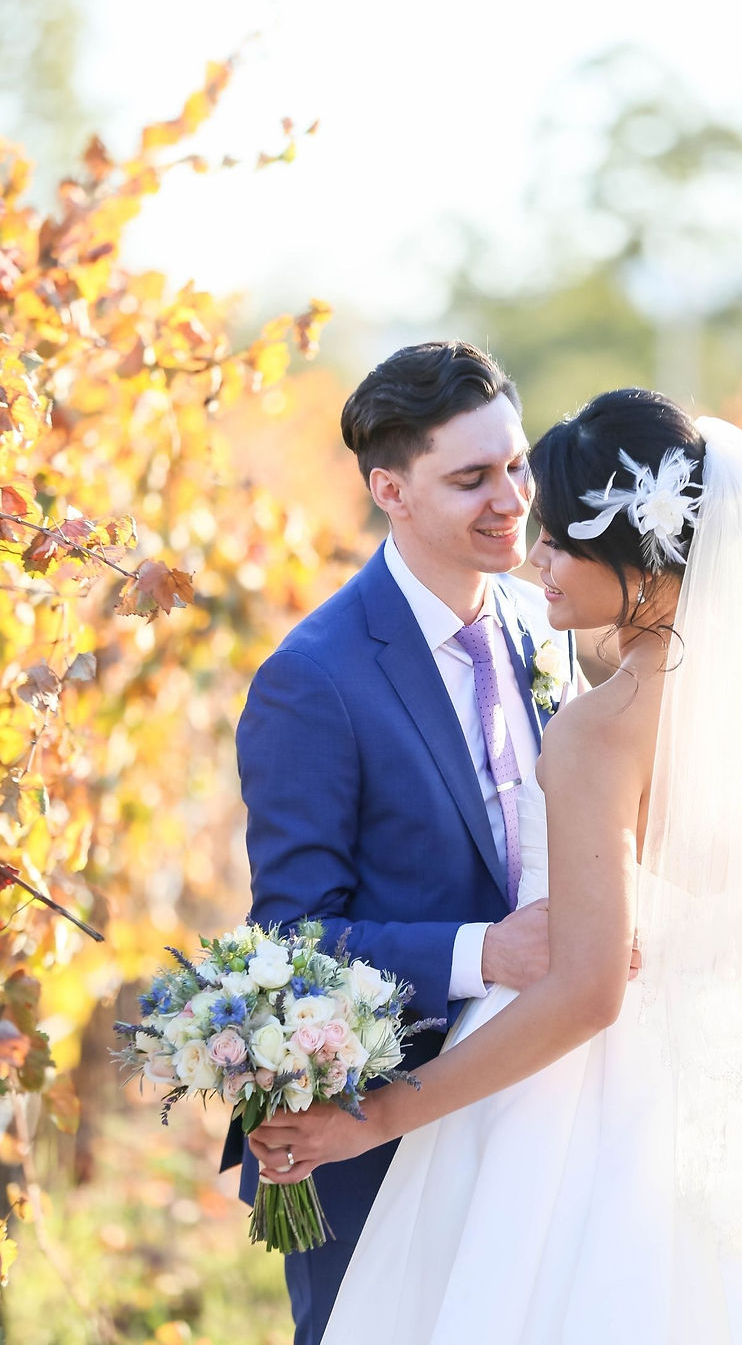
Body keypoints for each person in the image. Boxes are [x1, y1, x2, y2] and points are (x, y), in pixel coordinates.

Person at [251, 389, 742, 1344]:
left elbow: (588, 990)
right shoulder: (728, 708)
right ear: (390, 490)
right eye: (475, 478)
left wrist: (377, 1117)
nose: (533, 550)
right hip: (695, 1082)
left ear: (638, 555)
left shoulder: (592, 713)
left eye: (557, 534)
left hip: (562, 1093)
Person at [221, 340, 598, 1344]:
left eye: (516, 465)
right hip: (371, 1131)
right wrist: (487, 952)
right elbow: (292, 942)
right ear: (389, 490)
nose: (512, 500)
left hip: (544, 1102)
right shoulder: (312, 677)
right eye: (471, 479)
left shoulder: (546, 627)